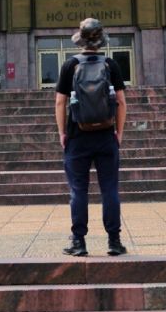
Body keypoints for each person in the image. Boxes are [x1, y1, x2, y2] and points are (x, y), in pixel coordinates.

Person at [54, 17, 128, 256]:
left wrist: (62, 132)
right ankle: (114, 241)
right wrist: (119, 132)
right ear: (101, 40)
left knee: (78, 190)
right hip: (106, 135)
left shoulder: (70, 65)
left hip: (78, 136)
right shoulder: (110, 65)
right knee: (109, 189)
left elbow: (60, 102)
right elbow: (121, 102)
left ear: (81, 40)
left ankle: (79, 242)